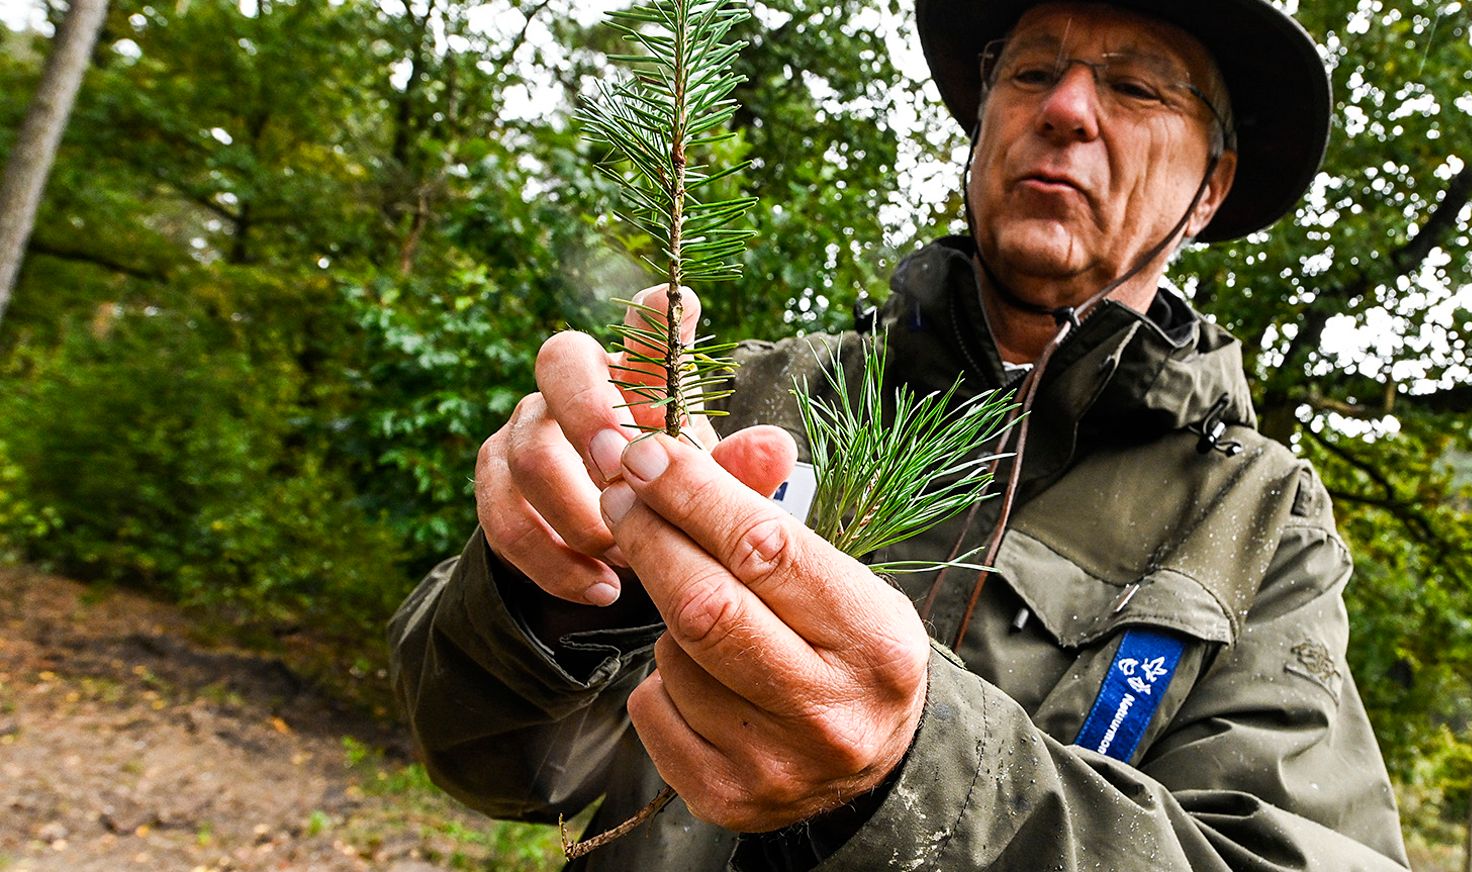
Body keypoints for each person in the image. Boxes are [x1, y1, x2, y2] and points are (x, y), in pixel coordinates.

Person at [388, 0, 1413, 867]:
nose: (1062, 110)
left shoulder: (1257, 521)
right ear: (981, 120)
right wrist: (551, 588)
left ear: (1211, 189)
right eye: (1029, 72)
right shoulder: (755, 394)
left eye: (1137, 88)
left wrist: (912, 769)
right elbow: (476, 751)